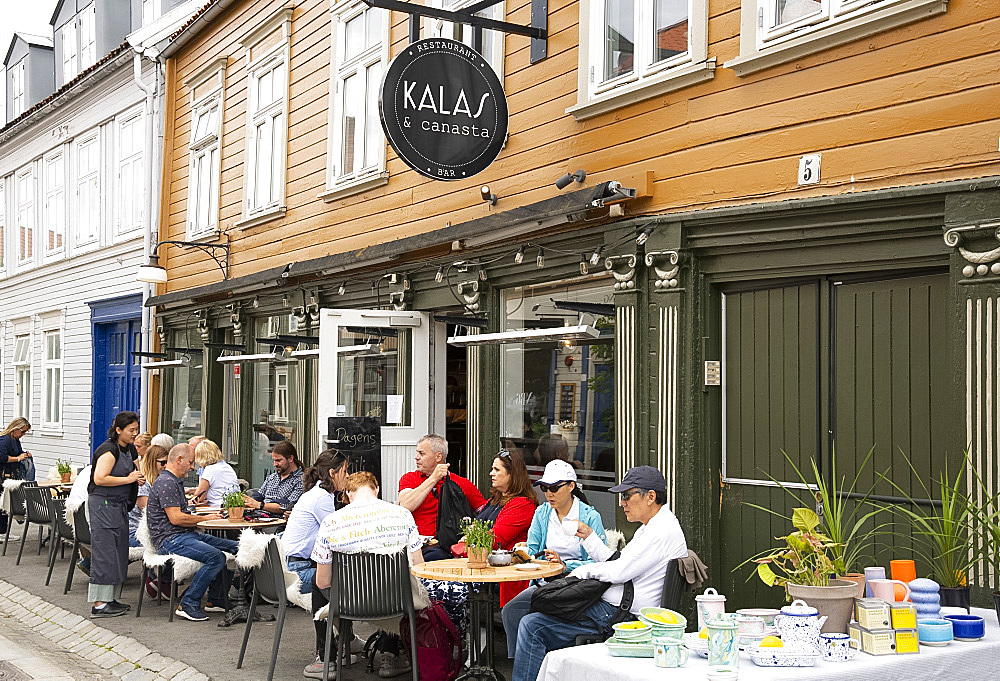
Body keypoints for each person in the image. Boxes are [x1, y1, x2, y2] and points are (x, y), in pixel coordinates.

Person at [511, 466, 688, 681]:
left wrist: (580, 572)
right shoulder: (653, 526)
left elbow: (619, 572)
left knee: (532, 626)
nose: (622, 503)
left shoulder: (660, 531)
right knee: (535, 608)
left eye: (627, 495)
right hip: (611, 607)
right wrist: (590, 537)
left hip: (619, 615)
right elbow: (619, 562)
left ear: (650, 496)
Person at [307, 471, 423, 680]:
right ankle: (391, 655)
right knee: (391, 583)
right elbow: (419, 566)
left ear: (349, 493)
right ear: (376, 489)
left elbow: (323, 581)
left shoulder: (331, 522)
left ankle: (327, 659)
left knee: (317, 583)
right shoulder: (403, 515)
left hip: (349, 602)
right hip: (395, 601)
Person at [501, 459, 607, 657]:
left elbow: (600, 563)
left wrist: (565, 565)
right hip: (546, 584)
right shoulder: (542, 513)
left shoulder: (589, 517)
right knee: (511, 611)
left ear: (571, 486)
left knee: (535, 619)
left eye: (554, 488)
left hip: (577, 585)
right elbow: (532, 551)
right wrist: (519, 554)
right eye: (544, 487)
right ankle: (522, 662)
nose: (548, 493)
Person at [147, 443, 238, 621]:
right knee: (216, 557)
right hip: (170, 539)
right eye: (190, 462)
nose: (192, 467)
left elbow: (181, 515)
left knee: (236, 547)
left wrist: (207, 515)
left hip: (184, 535)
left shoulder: (173, 481)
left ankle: (216, 599)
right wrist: (205, 518)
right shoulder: (167, 482)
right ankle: (188, 603)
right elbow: (176, 518)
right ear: (179, 460)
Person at [88, 411, 144, 619]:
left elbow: (134, 470)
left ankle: (110, 598)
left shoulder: (129, 449)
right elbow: (100, 478)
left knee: (119, 550)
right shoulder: (108, 450)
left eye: (136, 430)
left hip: (119, 505)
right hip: (103, 504)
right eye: (131, 430)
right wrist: (129, 479)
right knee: (105, 552)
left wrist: (138, 478)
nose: (135, 434)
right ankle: (99, 604)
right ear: (118, 430)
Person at [397, 434, 485, 560]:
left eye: (422, 454)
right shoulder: (409, 478)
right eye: (417, 453)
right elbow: (405, 506)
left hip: (448, 550)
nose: (416, 458)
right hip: (414, 548)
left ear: (438, 457)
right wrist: (433, 478)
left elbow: (485, 513)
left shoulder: (461, 483)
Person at [282, 449, 349, 595]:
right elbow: (337, 536)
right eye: (344, 471)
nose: (348, 476)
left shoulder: (318, 492)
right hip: (297, 572)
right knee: (350, 578)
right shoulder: (322, 497)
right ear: (332, 473)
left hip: (293, 564)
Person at [476, 450, 537, 605]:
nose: (491, 473)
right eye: (492, 469)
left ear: (512, 474)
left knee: (446, 589)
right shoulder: (495, 499)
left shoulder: (523, 504)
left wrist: (471, 539)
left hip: (502, 572)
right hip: (481, 566)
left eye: (497, 470)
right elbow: (475, 531)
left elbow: (495, 540)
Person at [128, 444, 169, 598]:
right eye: (162, 463)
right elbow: (149, 513)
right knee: (173, 543)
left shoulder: (158, 483)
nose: (165, 466)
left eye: (167, 463)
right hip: (134, 533)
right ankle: (157, 578)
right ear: (152, 462)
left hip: (149, 531)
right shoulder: (143, 485)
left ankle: (160, 579)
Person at [243, 440, 304, 514]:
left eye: (278, 460)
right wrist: (248, 502)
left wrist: (260, 505)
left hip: (279, 522)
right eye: (274, 460)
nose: (274, 464)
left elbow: (286, 506)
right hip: (259, 516)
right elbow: (259, 496)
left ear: (290, 458)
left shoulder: (301, 480)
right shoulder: (272, 477)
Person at [192, 440, 239, 507]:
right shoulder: (226, 466)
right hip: (232, 506)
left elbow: (199, 496)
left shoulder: (209, 469)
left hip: (218, 506)